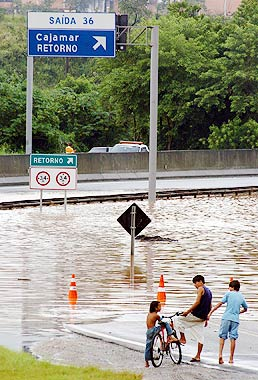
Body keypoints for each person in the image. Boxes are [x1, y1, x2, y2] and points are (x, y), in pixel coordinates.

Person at [207, 279, 248, 365]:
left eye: (229, 287)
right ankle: (231, 358)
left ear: (232, 287)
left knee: (222, 336)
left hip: (226, 318)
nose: (228, 288)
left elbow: (220, 304)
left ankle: (220, 355)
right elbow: (245, 308)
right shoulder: (241, 296)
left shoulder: (228, 294)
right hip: (235, 319)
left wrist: (211, 312)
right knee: (233, 338)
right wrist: (238, 312)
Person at [174, 274, 212, 362]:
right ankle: (198, 356)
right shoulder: (209, 291)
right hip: (202, 317)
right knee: (200, 337)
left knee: (177, 319)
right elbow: (210, 305)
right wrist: (207, 317)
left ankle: (182, 338)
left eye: (195, 283)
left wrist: (187, 311)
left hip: (196, 315)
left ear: (200, 282)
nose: (195, 285)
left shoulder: (200, 289)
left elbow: (197, 302)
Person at [144, 300, 178, 368]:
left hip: (148, 331)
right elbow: (161, 319)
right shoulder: (156, 315)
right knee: (166, 323)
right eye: (159, 306)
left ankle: (146, 363)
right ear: (155, 308)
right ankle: (170, 335)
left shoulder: (149, 314)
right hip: (153, 330)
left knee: (148, 346)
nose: (161, 307)